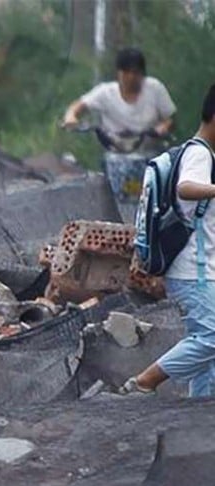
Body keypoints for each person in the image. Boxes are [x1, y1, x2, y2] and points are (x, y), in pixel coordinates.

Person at [121, 84, 215, 397]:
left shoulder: (194, 151)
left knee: (205, 346)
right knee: (212, 337)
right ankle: (146, 381)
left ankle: (199, 405)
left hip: (195, 269)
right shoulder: (200, 153)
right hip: (194, 271)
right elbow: (186, 188)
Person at [62, 47, 176, 146]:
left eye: (135, 72)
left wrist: (162, 128)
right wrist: (71, 116)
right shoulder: (105, 92)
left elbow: (170, 118)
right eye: (126, 72)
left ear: (142, 74)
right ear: (118, 73)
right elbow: (79, 105)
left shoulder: (155, 88)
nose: (131, 77)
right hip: (114, 152)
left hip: (150, 152)